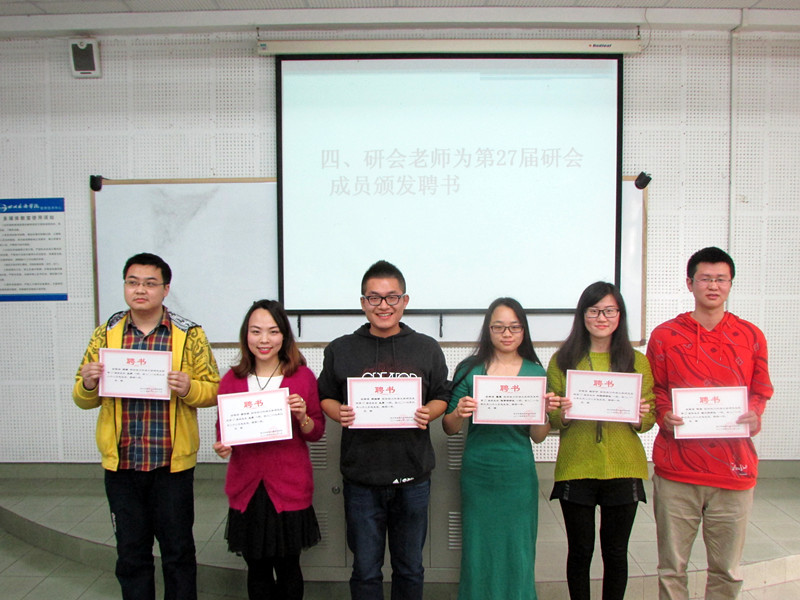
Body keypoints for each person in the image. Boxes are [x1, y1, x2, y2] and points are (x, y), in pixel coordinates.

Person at [72, 252, 220, 600]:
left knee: (178, 551)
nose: (140, 290)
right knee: (130, 552)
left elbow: (213, 389)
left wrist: (189, 388)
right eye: (133, 282)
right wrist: (89, 383)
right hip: (122, 464)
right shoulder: (106, 334)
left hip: (171, 465)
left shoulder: (189, 334)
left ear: (166, 289)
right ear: (125, 286)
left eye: (150, 283)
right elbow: (82, 397)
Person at [317, 260, 450, 600]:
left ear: (405, 301)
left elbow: (442, 395)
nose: (383, 305)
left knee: (410, 567)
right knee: (365, 569)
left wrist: (429, 412)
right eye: (374, 298)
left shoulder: (426, 347)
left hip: (413, 476)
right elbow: (325, 395)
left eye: (392, 297)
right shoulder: (341, 348)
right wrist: (338, 412)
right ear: (363, 303)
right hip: (361, 478)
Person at [647, 247, 773, 599]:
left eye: (721, 279)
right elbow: (655, 388)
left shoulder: (750, 335)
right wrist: (663, 414)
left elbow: (761, 389)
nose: (713, 286)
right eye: (705, 279)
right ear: (690, 283)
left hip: (733, 469)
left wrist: (754, 413)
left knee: (727, 570)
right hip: (677, 470)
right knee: (671, 569)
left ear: (730, 284)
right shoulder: (665, 335)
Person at [442, 297, 557, 600]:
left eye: (514, 327)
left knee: (518, 547)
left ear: (523, 331)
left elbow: (538, 437)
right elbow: (449, 427)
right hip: (479, 473)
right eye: (499, 327)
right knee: (478, 547)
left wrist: (544, 414)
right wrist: (459, 412)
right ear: (488, 329)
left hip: (518, 473)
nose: (507, 334)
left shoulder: (536, 373)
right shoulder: (469, 369)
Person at [546, 281, 655, 600]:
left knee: (616, 552)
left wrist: (638, 415)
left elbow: (649, 419)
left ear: (620, 315)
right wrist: (563, 412)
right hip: (576, 465)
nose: (601, 318)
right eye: (594, 311)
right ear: (582, 315)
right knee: (580, 551)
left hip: (624, 466)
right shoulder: (562, 360)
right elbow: (553, 420)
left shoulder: (637, 361)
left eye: (609, 310)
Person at [213, 299, 324, 600]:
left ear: (284, 336)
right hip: (247, 488)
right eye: (256, 331)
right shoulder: (232, 379)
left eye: (273, 331)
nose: (264, 340)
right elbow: (223, 429)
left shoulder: (302, 377)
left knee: (288, 567)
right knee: (257, 568)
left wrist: (302, 417)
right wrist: (222, 446)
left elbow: (316, 431)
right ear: (245, 335)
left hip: (289, 485)